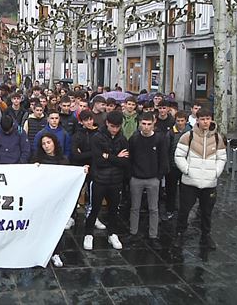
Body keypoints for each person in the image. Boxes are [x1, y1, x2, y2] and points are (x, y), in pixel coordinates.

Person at [32, 132, 89, 267]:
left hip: (57, 201)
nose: (46, 146)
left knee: (56, 228)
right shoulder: (37, 159)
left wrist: (82, 171)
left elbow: (69, 176)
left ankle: (55, 253)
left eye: (49, 142)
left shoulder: (63, 160)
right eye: (44, 144)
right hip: (42, 199)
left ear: (54, 143)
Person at [173, 108, 226, 250]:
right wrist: (187, 170)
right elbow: (178, 156)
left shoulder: (217, 138)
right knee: (184, 210)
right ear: (197, 120)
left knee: (207, 211)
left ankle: (206, 236)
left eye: (208, 118)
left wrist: (216, 172)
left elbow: (222, 157)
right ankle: (179, 234)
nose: (205, 122)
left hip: (209, 183)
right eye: (202, 119)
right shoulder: (188, 136)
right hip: (190, 182)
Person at [84, 111, 129, 251]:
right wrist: (116, 157)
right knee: (94, 208)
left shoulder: (122, 139)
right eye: (112, 126)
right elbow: (98, 160)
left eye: (117, 127)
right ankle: (88, 234)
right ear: (107, 123)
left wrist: (108, 156)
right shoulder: (97, 137)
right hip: (99, 179)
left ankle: (112, 233)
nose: (114, 129)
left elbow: (125, 161)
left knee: (113, 210)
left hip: (115, 181)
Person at [128, 112, 169, 249]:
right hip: (136, 178)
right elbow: (130, 158)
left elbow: (163, 158)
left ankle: (153, 235)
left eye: (149, 124)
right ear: (139, 123)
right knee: (135, 207)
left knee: (153, 208)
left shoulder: (160, 139)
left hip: (153, 178)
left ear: (154, 123)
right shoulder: (134, 139)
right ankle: (133, 232)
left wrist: (158, 177)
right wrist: (131, 175)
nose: (146, 127)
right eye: (143, 124)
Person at [163, 111, 192, 220]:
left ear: (186, 121)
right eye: (178, 121)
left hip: (185, 165)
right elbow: (166, 149)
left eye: (182, 121)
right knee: (171, 190)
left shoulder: (191, 132)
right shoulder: (171, 132)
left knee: (185, 191)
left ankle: (183, 211)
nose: (180, 123)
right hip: (173, 165)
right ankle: (169, 209)